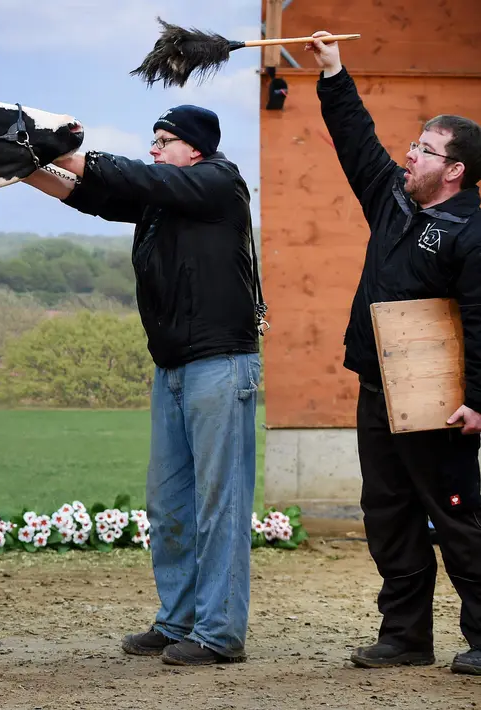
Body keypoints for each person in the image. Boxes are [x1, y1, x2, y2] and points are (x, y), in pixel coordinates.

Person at [23, 104, 264, 666]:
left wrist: (70, 151)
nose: (154, 149)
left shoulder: (219, 182)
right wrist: (23, 164)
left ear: (195, 150)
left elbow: (129, 175)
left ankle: (219, 634)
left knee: (218, 502)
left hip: (221, 366)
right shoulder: (164, 200)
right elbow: (89, 194)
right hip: (174, 367)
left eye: (163, 140)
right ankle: (179, 621)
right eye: (152, 141)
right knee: (169, 502)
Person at [305, 30, 481, 676]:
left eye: (425, 150)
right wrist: (331, 74)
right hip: (379, 386)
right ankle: (404, 635)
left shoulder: (471, 231)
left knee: (457, 517)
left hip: (442, 398)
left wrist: (478, 402)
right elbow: (355, 140)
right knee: (387, 512)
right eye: (413, 145)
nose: (409, 155)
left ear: (454, 169)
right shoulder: (391, 201)